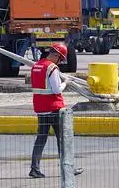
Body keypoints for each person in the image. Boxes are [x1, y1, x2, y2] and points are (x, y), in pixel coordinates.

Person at [29, 43, 83, 178]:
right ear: (57, 55)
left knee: (41, 139)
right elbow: (57, 89)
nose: (61, 62)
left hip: (41, 109)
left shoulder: (36, 66)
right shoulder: (52, 68)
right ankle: (68, 168)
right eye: (61, 59)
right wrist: (67, 82)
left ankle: (34, 168)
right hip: (53, 108)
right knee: (62, 139)